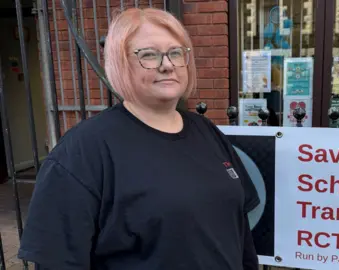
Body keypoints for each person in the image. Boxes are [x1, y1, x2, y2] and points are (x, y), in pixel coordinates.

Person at [17, 7, 260, 270]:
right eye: (148, 55)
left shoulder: (207, 131)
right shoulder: (84, 151)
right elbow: (58, 260)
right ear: (120, 64)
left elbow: (240, 233)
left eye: (176, 53)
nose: (167, 65)